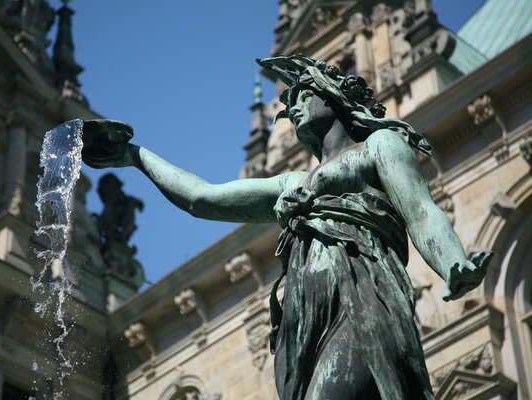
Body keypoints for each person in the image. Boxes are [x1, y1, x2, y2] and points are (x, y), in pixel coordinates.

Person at [80, 55, 492, 400]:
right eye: (289, 102)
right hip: (304, 319)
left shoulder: (381, 147)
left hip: (362, 296)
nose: (293, 107)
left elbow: (420, 211)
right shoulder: (291, 183)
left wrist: (452, 261)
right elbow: (201, 197)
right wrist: (136, 156)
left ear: (332, 96)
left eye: (303, 96)